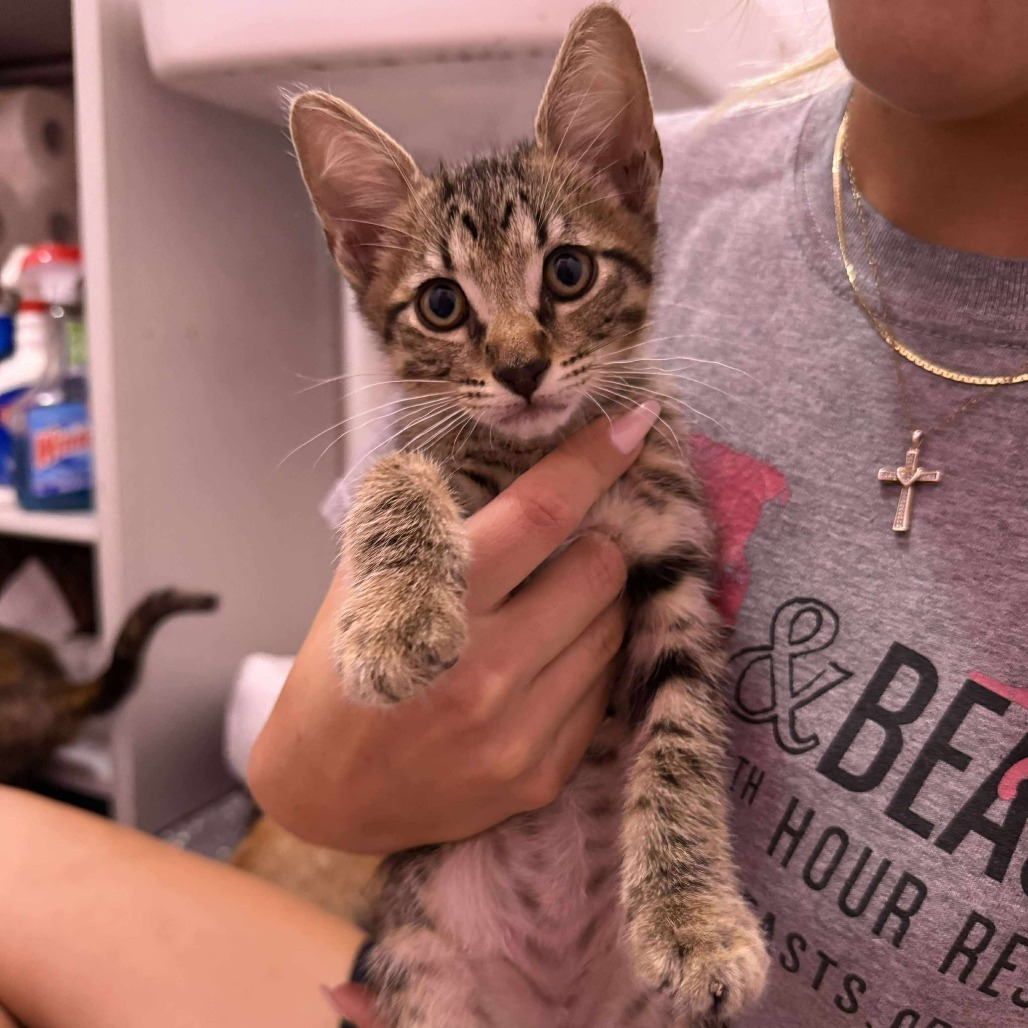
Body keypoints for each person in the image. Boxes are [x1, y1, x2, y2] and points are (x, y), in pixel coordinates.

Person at [1, 1, 1025, 1025]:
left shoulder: (645, 425)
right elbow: (325, 718)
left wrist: (677, 879)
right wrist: (397, 538)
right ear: (360, 255)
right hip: (458, 950)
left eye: (565, 276)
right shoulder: (444, 441)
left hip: (633, 967)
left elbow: (677, 672)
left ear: (633, 189)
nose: (519, 353)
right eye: (445, 307)